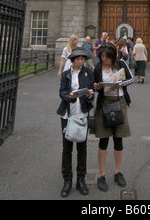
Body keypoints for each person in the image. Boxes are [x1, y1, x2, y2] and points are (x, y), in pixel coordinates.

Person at [93, 43, 133, 192]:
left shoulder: (121, 64)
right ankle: (101, 175)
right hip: (104, 104)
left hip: (119, 103)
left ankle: (118, 172)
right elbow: (93, 84)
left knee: (118, 139)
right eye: (102, 56)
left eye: (107, 57)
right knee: (103, 140)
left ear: (113, 57)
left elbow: (131, 79)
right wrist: (96, 87)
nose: (105, 60)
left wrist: (120, 84)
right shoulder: (97, 68)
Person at [57, 47, 94, 198]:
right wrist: (70, 96)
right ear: (73, 60)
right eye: (78, 59)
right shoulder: (66, 74)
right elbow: (62, 92)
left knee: (82, 148)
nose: (80, 61)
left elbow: (90, 91)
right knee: (67, 148)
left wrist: (90, 95)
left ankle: (81, 180)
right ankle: (67, 180)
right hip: (68, 114)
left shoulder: (88, 73)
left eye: (83, 59)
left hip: (82, 114)